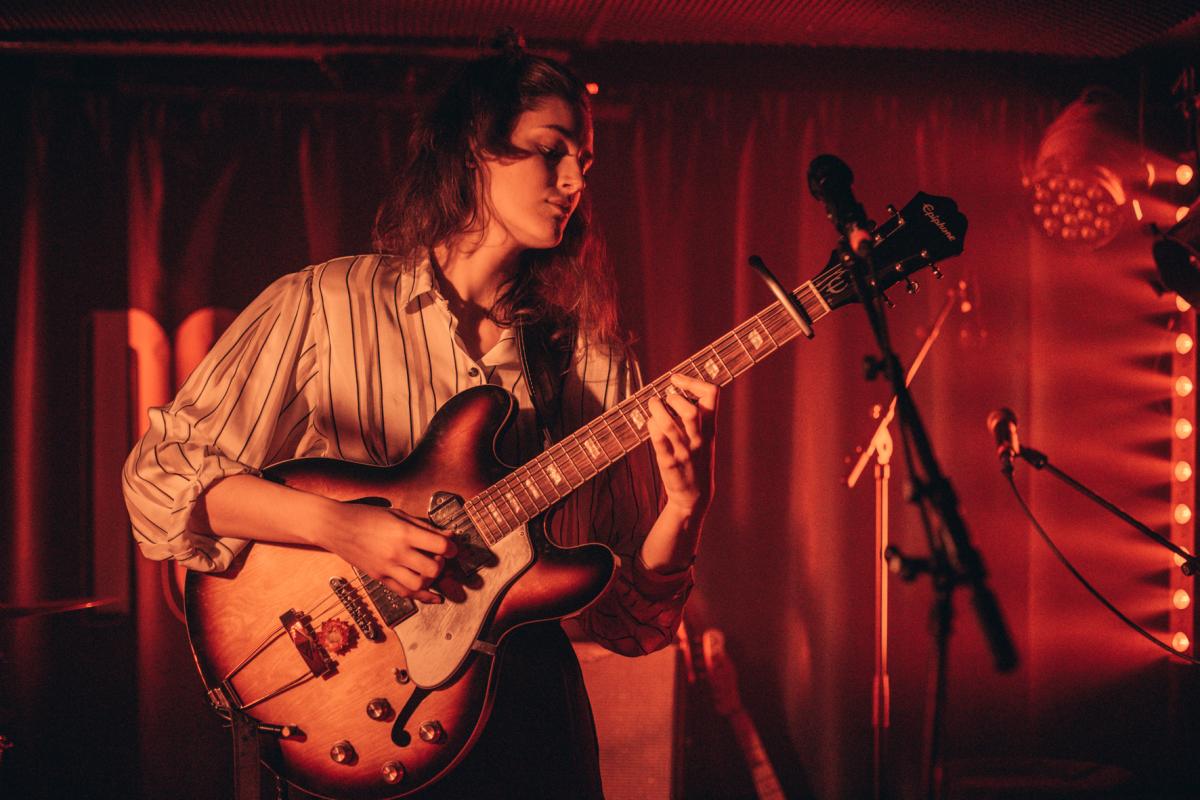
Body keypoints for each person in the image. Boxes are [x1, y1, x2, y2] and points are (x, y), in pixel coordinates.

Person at [123, 32, 719, 799]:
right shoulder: (325, 305)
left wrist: (687, 508)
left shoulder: (589, 360)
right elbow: (159, 478)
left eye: (586, 161)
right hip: (360, 709)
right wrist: (340, 528)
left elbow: (629, 625)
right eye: (550, 150)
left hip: (527, 724)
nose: (574, 179)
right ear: (477, 150)